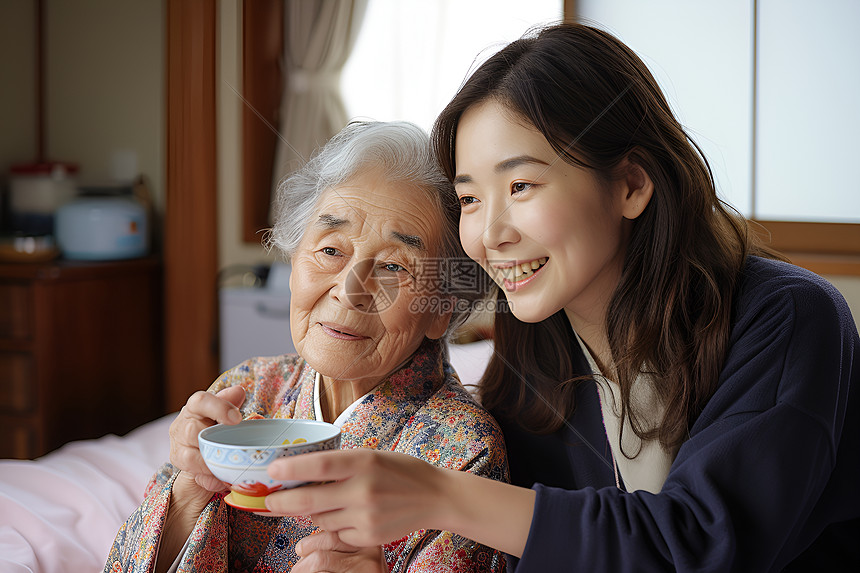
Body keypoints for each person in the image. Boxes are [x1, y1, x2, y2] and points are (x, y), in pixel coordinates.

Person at [259, 22, 860, 571]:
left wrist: (442, 495)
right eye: (470, 199)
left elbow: (703, 547)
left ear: (630, 185)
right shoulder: (536, 339)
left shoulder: (789, 317)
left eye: (520, 185)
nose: (490, 235)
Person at [103, 121, 509, 573]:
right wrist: (187, 494)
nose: (349, 290)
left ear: (441, 309)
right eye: (331, 250)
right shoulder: (249, 388)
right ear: (294, 258)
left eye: (394, 265)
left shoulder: (464, 453)